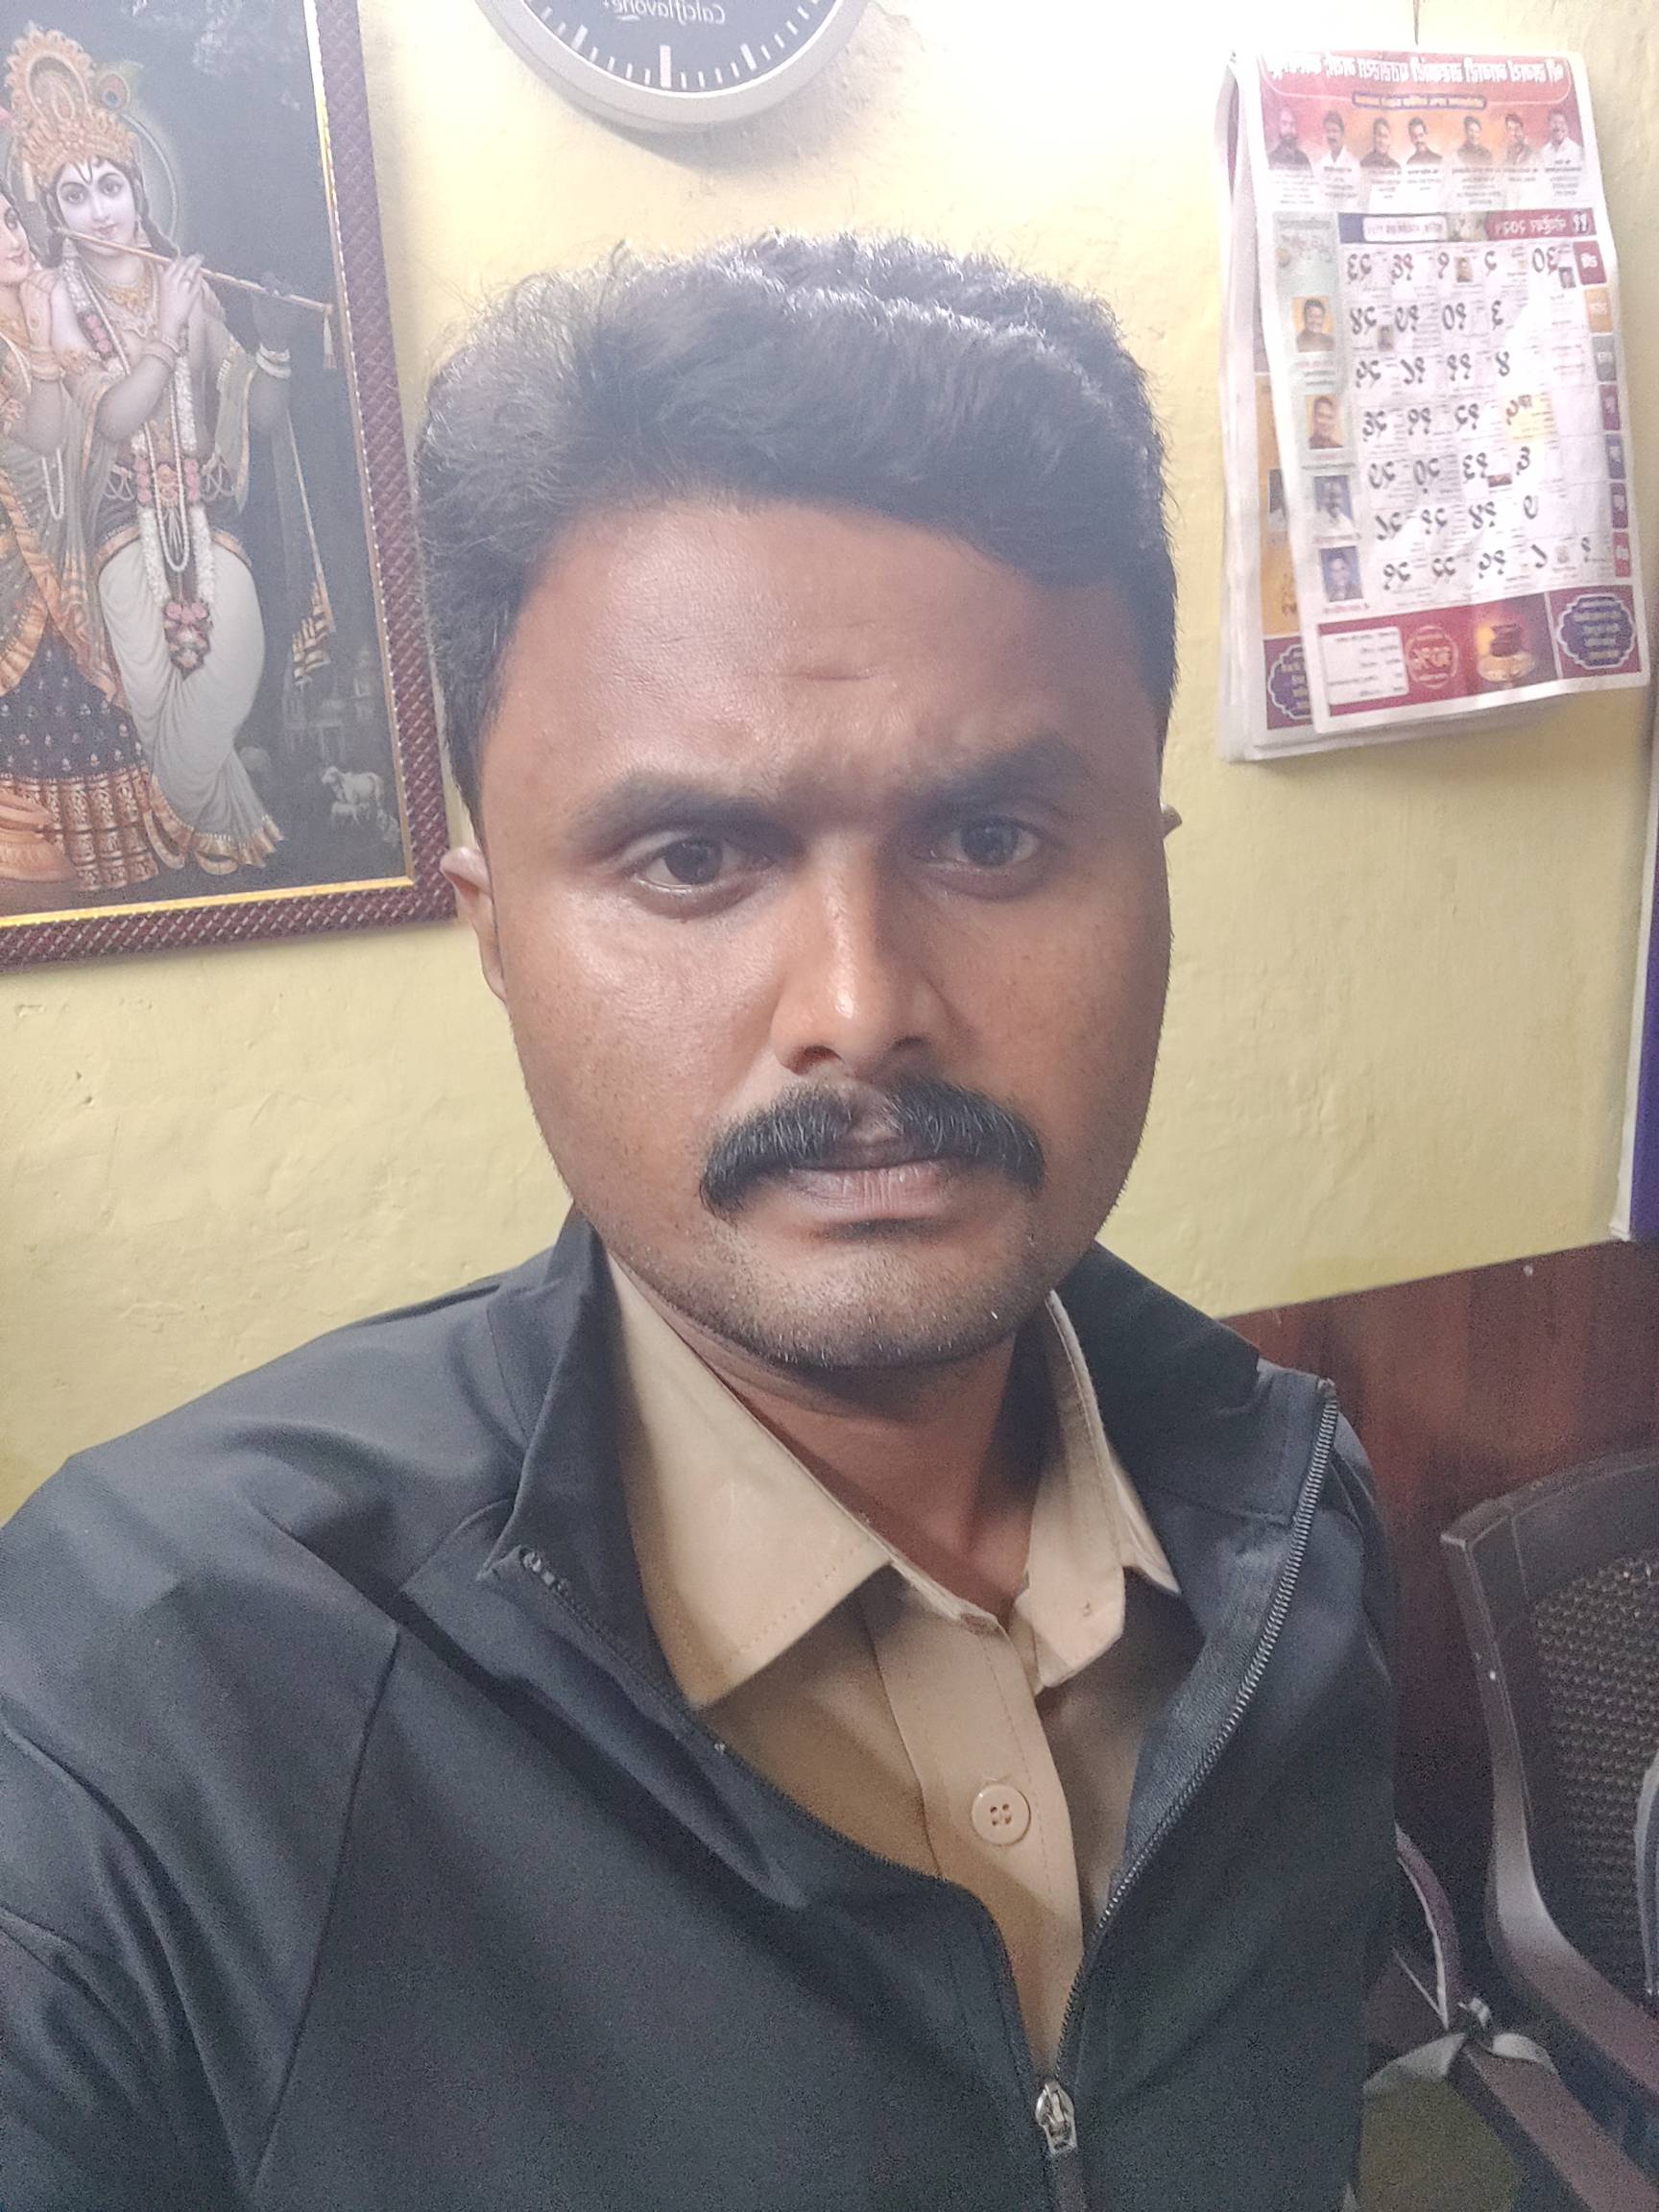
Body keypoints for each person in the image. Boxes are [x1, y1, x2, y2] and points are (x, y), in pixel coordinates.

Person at [0, 234, 1396, 2211]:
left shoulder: (1285, 1526)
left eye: (993, 839)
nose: (861, 1002)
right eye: (691, 858)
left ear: (1154, 885)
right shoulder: (146, 1701)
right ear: (497, 933)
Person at [5, 26, 301, 876]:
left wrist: (275, 343)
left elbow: (262, 414)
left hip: (208, 522)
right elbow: (112, 416)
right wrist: (166, 333)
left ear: (139, 191)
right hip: (117, 530)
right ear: (54, 216)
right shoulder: (59, 299)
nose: (99, 211)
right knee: (150, 697)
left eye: (110, 187)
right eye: (73, 196)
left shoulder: (190, 289)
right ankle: (205, 853)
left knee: (231, 671)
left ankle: (176, 827)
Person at [0, 181, 184, 894]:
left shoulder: (51, 298)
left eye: (11, 220)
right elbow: (41, 437)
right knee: (34, 711)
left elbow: (103, 414)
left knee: (91, 706)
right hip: (16, 568)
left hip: (71, 546)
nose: (12, 240)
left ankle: (114, 878)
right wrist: (47, 350)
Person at [1316, 108, 1358, 185]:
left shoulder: (1353, 164)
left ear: (1342, 133)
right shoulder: (1321, 164)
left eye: (1335, 131)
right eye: (1328, 131)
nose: (1331, 136)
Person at [1267, 105, 1311, 169]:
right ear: (1278, 126)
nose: (1289, 128)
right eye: (1284, 123)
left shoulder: (1303, 159)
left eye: (1292, 124)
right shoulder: (1271, 159)